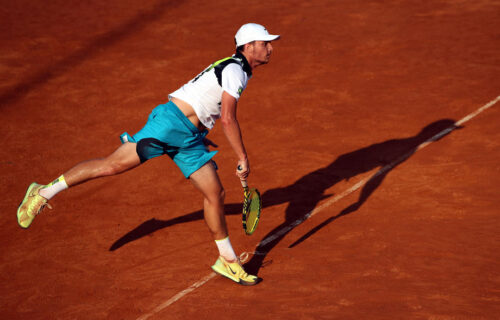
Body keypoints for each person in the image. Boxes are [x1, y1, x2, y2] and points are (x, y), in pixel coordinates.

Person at [16, 23, 279, 286]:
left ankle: (228, 261)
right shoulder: (235, 70)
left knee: (215, 193)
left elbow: (204, 101)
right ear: (248, 47)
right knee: (112, 166)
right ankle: (42, 192)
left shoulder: (237, 69)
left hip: (188, 136)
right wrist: (242, 156)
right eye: (264, 43)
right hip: (169, 125)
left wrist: (199, 129)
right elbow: (227, 118)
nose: (270, 47)